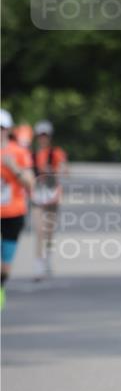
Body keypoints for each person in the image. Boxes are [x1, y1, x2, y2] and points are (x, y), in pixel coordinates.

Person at [1, 109, 34, 307]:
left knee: (5, 264)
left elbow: (31, 184)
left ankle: (1, 287)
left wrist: (14, 168)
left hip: (13, 213)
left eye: (1, 128)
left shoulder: (19, 153)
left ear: (8, 130)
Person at [31, 120, 68, 280]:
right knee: (39, 230)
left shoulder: (56, 153)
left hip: (52, 195)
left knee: (49, 230)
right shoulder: (31, 154)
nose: (43, 138)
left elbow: (64, 170)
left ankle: (48, 259)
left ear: (50, 137)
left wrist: (53, 171)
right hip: (37, 195)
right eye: (40, 135)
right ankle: (39, 265)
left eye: (45, 135)